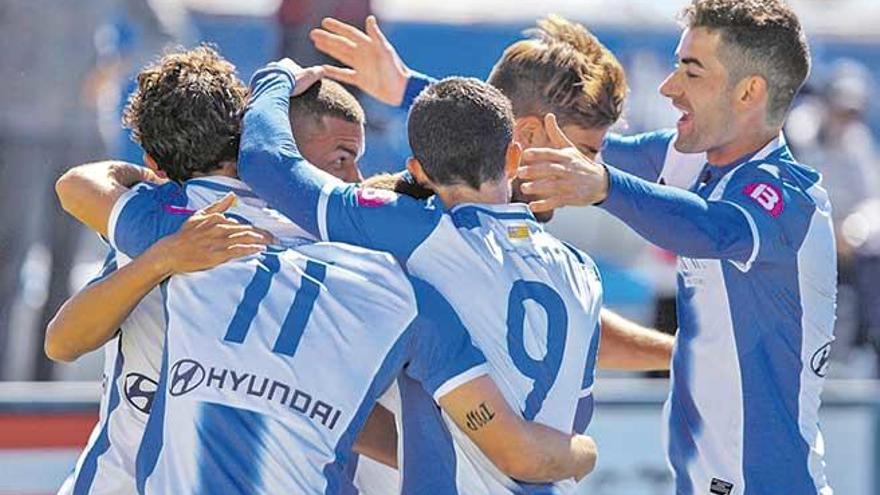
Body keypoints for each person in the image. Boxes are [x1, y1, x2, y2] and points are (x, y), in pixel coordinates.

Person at [54, 46, 598, 494]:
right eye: (341, 159)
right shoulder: (221, 231)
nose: (354, 177)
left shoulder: (176, 220)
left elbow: (77, 191)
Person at [514, 1, 836, 493]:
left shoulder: (788, 195)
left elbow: (713, 231)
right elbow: (543, 141)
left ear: (749, 91)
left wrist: (603, 187)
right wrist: (409, 88)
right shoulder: (695, 161)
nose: (668, 87)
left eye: (691, 70)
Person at [236, 59, 601, 493]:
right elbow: (574, 420)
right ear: (513, 157)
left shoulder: (414, 231)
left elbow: (263, 163)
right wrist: (583, 453)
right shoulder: (584, 270)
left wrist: (274, 79)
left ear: (418, 172)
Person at [47, 48, 375, 495]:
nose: (354, 177)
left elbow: (62, 343)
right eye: (343, 160)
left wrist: (157, 235)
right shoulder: (330, 238)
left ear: (153, 161)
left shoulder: (152, 218)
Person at [311, 14, 676, 372]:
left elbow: (571, 327)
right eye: (586, 151)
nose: (591, 170)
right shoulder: (415, 221)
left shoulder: (502, 229)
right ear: (529, 137)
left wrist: (411, 88)